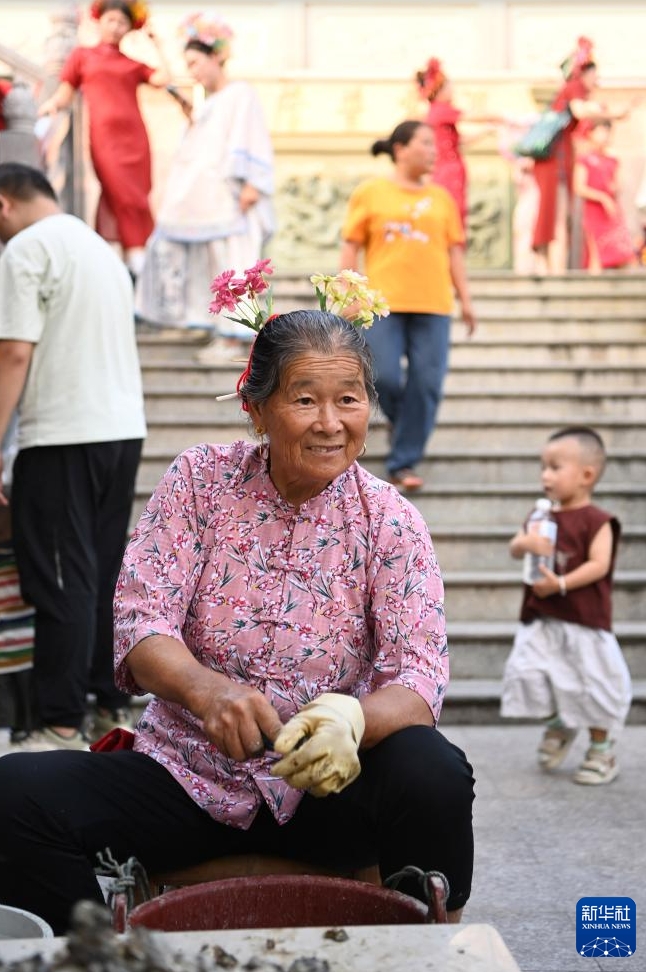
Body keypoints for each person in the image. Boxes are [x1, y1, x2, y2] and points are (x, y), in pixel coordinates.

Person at [0, 263, 475, 935]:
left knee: (434, 771)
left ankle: (431, 943)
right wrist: (202, 689)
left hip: (327, 790)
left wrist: (352, 721)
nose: (330, 423)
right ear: (255, 408)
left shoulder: (391, 520)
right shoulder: (198, 481)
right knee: (13, 796)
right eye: (305, 399)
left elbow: (420, 674)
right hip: (187, 783)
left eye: (350, 399)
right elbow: (141, 622)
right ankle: (101, 953)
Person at [0, 163, 147, 750]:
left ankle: (60, 724)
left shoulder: (27, 249)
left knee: (61, 578)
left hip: (62, 433)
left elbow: (13, 353)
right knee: (100, 571)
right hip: (120, 430)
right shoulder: (98, 248)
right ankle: (108, 706)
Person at [340, 119, 476, 493]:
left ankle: (403, 461)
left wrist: (465, 298)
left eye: (435, 145)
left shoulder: (443, 199)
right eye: (426, 143)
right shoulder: (370, 193)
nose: (434, 151)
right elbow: (351, 243)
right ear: (400, 149)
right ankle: (406, 423)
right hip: (381, 303)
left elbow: (454, 252)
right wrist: (347, 289)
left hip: (433, 304)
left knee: (427, 383)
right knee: (380, 376)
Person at [135, 11, 275, 358]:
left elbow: (251, 137)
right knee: (204, 264)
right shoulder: (207, 103)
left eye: (197, 62)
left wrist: (253, 183)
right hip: (201, 197)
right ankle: (214, 325)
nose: (193, 71)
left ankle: (237, 336)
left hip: (229, 196)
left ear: (216, 57)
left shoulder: (240, 93)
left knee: (234, 261)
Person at [500, 426, 632, 785]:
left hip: (584, 620)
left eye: (555, 467)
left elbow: (599, 564)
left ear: (587, 475)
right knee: (529, 674)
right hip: (541, 619)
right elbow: (515, 548)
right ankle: (559, 723)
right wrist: (525, 542)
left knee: (594, 683)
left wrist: (559, 583)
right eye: (543, 467)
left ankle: (601, 751)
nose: (545, 475)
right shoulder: (541, 516)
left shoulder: (598, 521)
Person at [38, 0, 171, 278]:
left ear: (128, 28)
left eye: (122, 23)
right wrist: (50, 107)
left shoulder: (132, 64)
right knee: (118, 193)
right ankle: (133, 262)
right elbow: (65, 92)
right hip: (104, 140)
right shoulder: (82, 56)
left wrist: (157, 44)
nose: (115, 27)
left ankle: (128, 265)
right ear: (99, 20)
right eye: (111, 20)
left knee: (133, 198)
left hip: (135, 139)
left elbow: (163, 78)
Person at [531, 36, 633, 274]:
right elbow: (580, 110)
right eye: (594, 75)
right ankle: (552, 271)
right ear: (583, 74)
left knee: (558, 218)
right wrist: (612, 114)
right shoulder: (573, 90)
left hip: (561, 162)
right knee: (554, 217)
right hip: (554, 164)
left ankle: (552, 268)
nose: (597, 80)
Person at [415, 57, 502, 232]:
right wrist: (501, 117)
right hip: (447, 171)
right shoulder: (441, 110)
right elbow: (473, 116)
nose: (453, 89)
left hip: (449, 170)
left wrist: (487, 130)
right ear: (440, 90)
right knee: (451, 216)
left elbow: (459, 140)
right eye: (449, 86)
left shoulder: (438, 112)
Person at [573, 120, 636, 272]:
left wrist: (614, 188)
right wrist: (602, 197)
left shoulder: (612, 160)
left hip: (612, 211)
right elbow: (579, 187)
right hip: (594, 210)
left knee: (624, 253)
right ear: (591, 134)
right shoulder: (584, 159)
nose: (604, 136)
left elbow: (616, 186)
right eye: (600, 131)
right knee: (597, 253)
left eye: (607, 132)